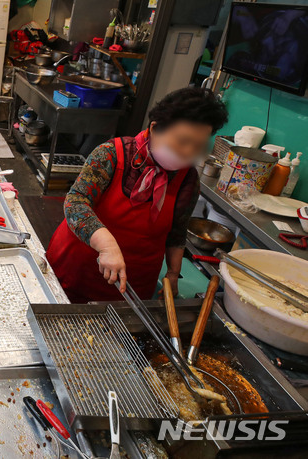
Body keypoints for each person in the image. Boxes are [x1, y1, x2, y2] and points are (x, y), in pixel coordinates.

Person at [46, 87, 228, 303]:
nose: (188, 152)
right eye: (182, 141)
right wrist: (106, 246)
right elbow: (75, 202)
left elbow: (177, 233)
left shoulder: (188, 179)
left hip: (132, 286)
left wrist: (172, 274)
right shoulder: (111, 154)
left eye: (197, 146)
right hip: (77, 271)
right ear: (155, 128)